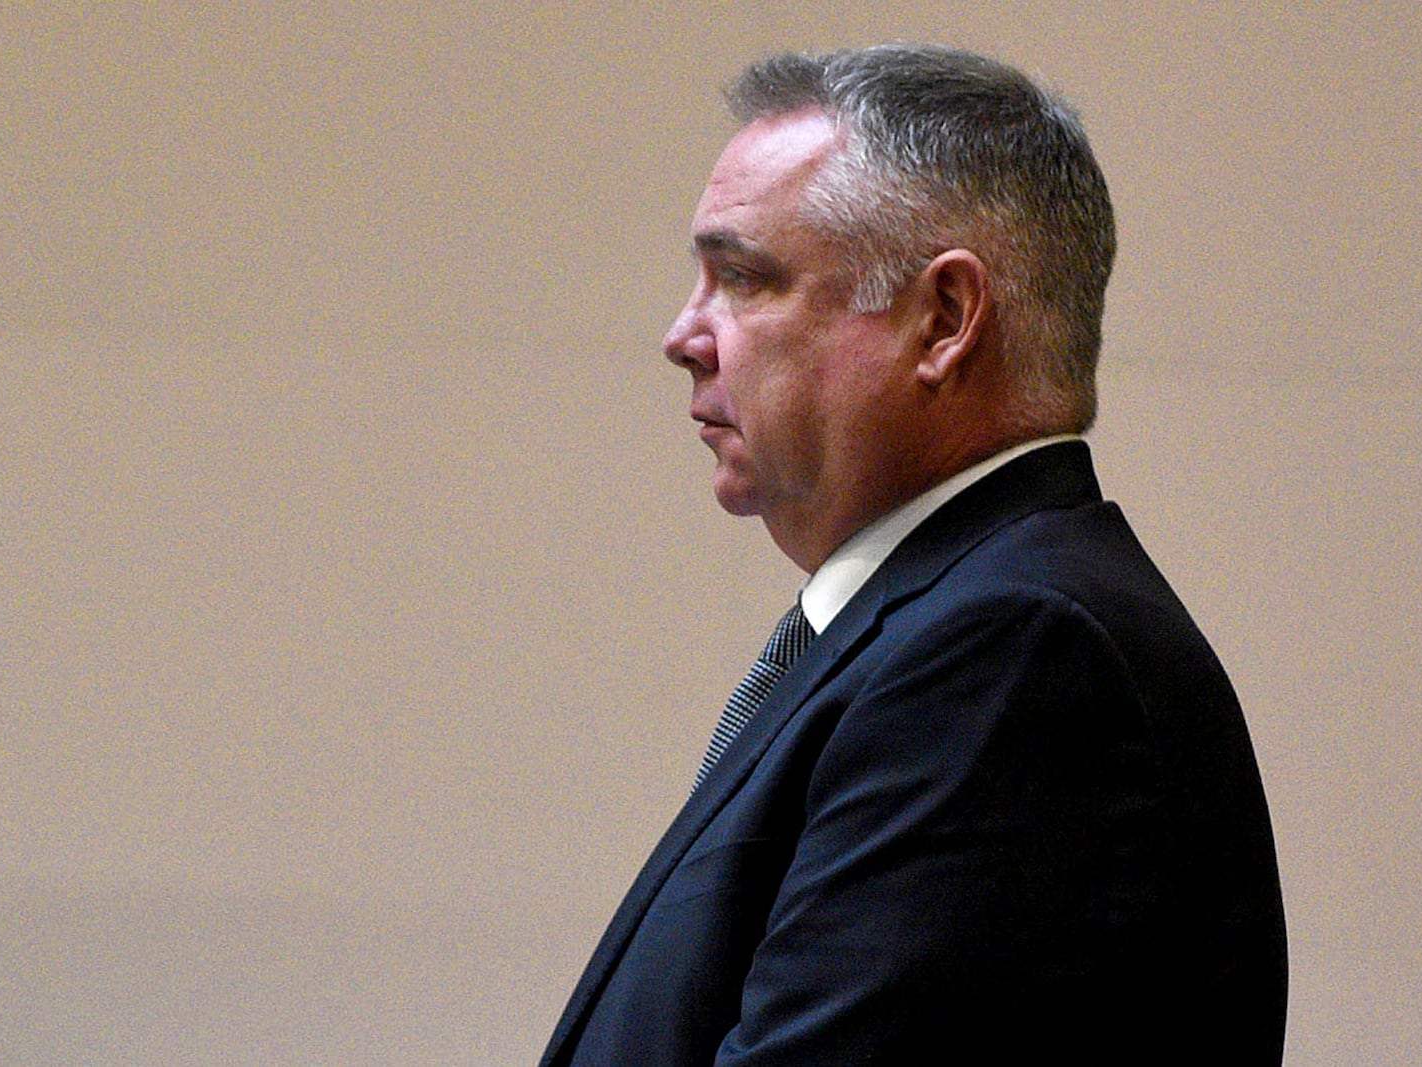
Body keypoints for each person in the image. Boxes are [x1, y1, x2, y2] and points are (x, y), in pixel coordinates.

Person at [540, 44, 1287, 1066]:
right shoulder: (953, 625)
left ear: (941, 320)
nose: (684, 332)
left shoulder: (1014, 655)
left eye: (744, 279)